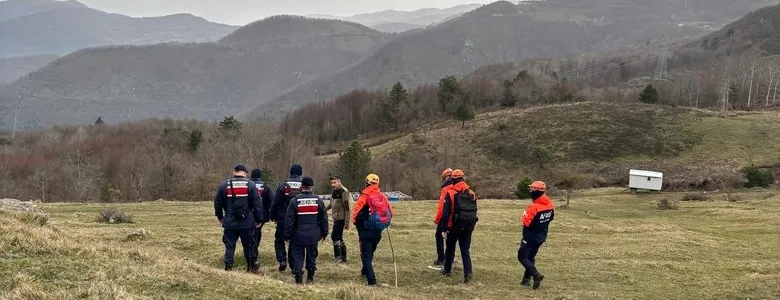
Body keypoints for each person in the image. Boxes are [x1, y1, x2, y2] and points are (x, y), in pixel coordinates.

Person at [214, 164, 263, 273]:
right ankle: (251, 266)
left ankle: (228, 265)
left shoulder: (225, 185)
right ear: (245, 173)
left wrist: (220, 217)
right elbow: (257, 203)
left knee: (230, 244)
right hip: (247, 222)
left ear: (234, 172)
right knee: (249, 245)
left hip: (230, 222)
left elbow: (218, 203)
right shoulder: (250, 184)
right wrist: (259, 219)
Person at [352, 174, 395, 286]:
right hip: (378, 229)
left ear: (367, 182)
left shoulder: (364, 195)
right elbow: (391, 212)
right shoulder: (382, 196)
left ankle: (371, 280)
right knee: (370, 251)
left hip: (365, 228)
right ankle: (364, 270)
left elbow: (356, 211)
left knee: (366, 253)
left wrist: (355, 222)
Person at [284, 177, 328, 284]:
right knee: (311, 255)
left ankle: (298, 277)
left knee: (297, 255)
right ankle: (310, 278)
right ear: (312, 187)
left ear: (301, 186)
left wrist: (287, 236)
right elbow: (324, 218)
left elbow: (289, 220)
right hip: (313, 235)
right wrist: (324, 233)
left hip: (297, 235)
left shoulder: (295, 201)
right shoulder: (318, 200)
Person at [438, 169, 478, 284]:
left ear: (453, 179)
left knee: (450, 248)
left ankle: (447, 270)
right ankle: (468, 273)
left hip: (453, 225)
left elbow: (445, 213)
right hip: (468, 225)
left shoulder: (450, 193)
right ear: (463, 178)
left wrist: (443, 228)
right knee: (465, 250)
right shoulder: (471, 193)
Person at [518, 181, 555, 290]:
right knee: (531, 257)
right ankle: (526, 280)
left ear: (536, 191)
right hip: (542, 235)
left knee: (522, 256)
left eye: (532, 189)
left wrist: (524, 215)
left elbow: (526, 222)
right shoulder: (550, 205)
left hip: (530, 236)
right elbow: (551, 218)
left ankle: (536, 275)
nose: (530, 191)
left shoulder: (533, 207)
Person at [270, 163, 304, 272]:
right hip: (299, 219)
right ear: (300, 173)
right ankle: (294, 264)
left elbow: (275, 202)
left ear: (290, 173)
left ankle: (282, 260)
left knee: (279, 240)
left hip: (283, 218)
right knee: (294, 241)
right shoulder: (304, 184)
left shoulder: (283, 185)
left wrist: (272, 215)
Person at [250, 168, 273, 266]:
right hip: (262, 214)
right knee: (258, 232)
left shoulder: (248, 184)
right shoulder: (265, 186)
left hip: (249, 213)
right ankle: (255, 250)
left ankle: (252, 252)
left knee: (250, 233)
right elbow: (271, 201)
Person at [326, 176, 352, 263]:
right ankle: (343, 256)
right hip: (335, 217)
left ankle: (338, 257)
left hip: (341, 218)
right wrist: (324, 209)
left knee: (335, 236)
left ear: (339, 182)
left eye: (334, 182)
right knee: (339, 237)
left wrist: (347, 222)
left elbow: (347, 207)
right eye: (332, 183)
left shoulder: (344, 192)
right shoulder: (334, 191)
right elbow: (331, 203)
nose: (333, 184)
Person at [432, 168, 454, 267]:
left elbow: (442, 207)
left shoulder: (446, 189)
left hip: (445, 217)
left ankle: (441, 258)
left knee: (439, 235)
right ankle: (450, 258)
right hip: (456, 217)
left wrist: (437, 219)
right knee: (451, 239)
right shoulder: (458, 186)